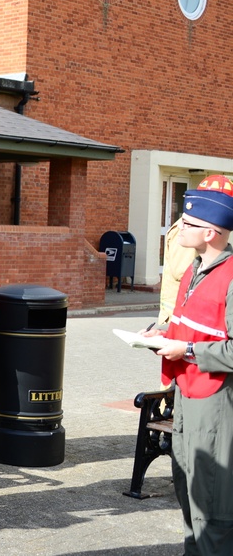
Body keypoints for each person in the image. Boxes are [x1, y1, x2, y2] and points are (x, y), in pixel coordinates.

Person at [152, 175, 233, 555]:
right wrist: (160, 331)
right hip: (186, 392)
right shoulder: (193, 268)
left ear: (213, 232)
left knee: (213, 501)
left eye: (189, 224)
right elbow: (188, 322)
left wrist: (185, 350)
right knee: (186, 486)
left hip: (216, 401)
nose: (179, 228)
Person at [157, 218, 198, 327]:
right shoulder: (189, 227)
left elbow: (182, 272)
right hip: (179, 311)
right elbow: (183, 272)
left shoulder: (188, 227)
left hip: (179, 311)